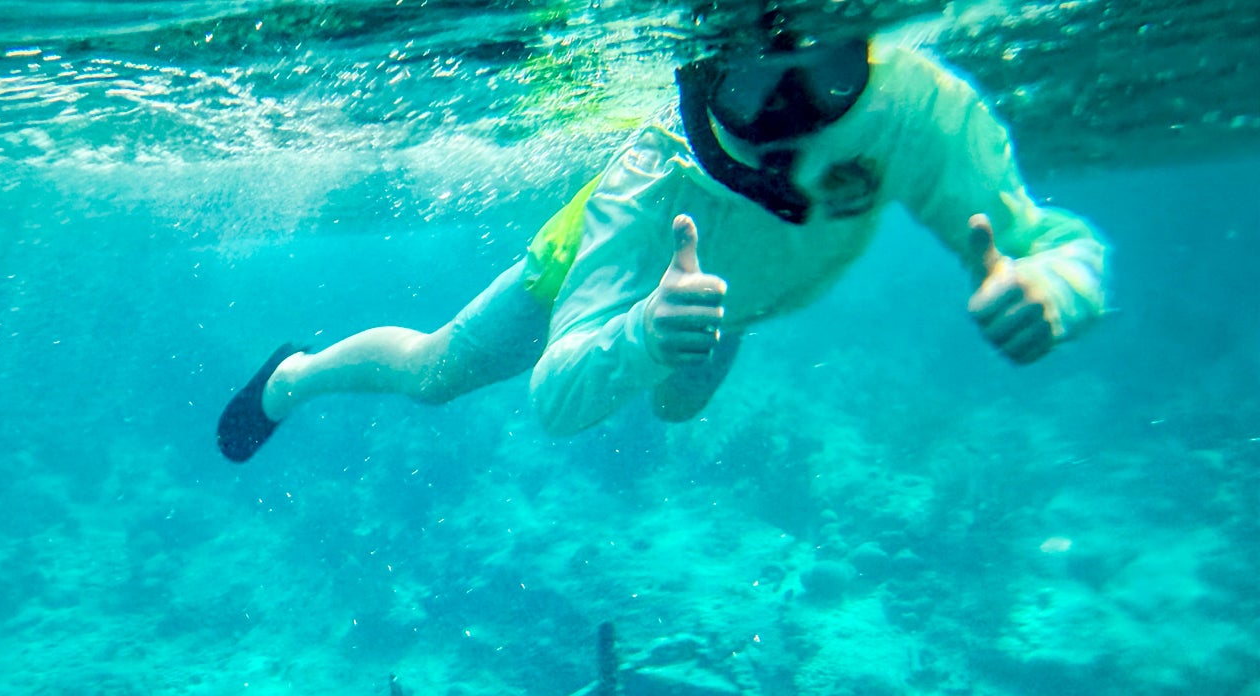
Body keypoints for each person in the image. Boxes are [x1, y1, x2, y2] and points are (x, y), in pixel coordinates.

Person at [217, 12, 1108, 463]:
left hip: (732, 301)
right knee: (439, 374)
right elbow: (557, 396)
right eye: (759, 85)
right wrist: (645, 327)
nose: (797, 125)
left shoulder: (914, 107)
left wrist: (1053, 287)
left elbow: (1052, 241)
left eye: (829, 72)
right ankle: (292, 379)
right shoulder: (651, 175)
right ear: (705, 76)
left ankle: (697, 327)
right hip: (610, 278)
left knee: (678, 406)